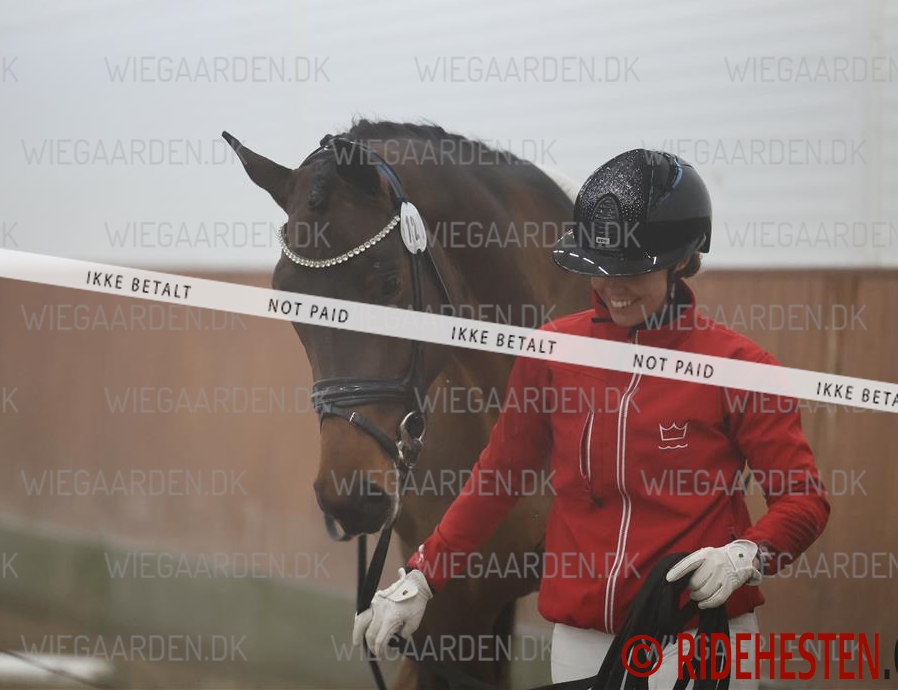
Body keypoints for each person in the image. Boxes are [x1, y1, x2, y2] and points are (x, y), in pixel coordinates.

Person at [353, 149, 831, 687]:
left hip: (698, 639)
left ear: (681, 260)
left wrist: (747, 556)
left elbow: (803, 499)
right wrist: (422, 578)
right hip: (581, 642)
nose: (612, 287)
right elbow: (499, 477)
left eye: (632, 272)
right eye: (599, 270)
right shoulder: (552, 351)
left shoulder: (742, 368)